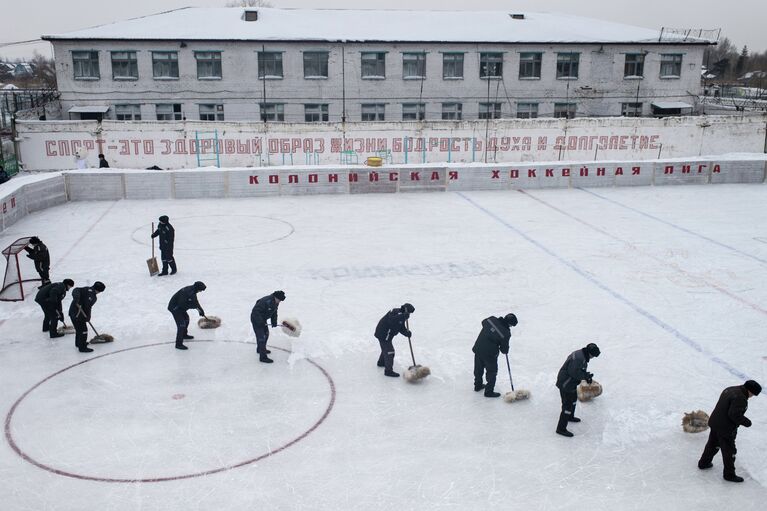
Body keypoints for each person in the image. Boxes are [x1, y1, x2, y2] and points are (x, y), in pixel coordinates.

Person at [698, 380, 761, 483]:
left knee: (712, 444)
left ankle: (704, 463)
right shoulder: (740, 398)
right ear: (750, 390)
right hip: (725, 428)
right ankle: (729, 475)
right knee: (729, 451)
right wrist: (747, 422)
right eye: (753, 394)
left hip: (715, 422)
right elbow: (734, 414)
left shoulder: (730, 389)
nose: (752, 396)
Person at [555, 343, 601, 437]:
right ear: (590, 353)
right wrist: (586, 377)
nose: (592, 358)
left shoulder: (581, 355)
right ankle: (561, 428)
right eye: (593, 356)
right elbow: (574, 373)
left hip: (570, 383)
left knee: (573, 400)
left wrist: (586, 375)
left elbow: (578, 370)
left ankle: (570, 417)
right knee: (567, 406)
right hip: (566, 383)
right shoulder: (579, 359)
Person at [472, 313, 518, 398]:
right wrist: (506, 348)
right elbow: (504, 350)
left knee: (478, 368)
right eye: (511, 325)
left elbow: (483, 322)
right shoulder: (506, 333)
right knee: (491, 372)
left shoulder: (491, 319)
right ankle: (489, 392)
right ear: (509, 324)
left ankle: (477, 385)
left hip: (478, 348)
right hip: (490, 354)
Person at [374, 303, 415, 378]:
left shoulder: (401, 316)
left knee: (385, 349)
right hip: (383, 334)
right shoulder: (395, 313)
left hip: (386, 335)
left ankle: (381, 362)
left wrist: (406, 333)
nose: (409, 314)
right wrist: (403, 316)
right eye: (409, 312)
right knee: (390, 351)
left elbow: (401, 327)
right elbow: (392, 320)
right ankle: (388, 371)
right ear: (405, 310)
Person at [167, 281, 206, 350]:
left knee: (186, 319)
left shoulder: (193, 290)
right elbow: (182, 304)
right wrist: (193, 306)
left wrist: (201, 310)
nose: (201, 291)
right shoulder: (187, 291)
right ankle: (178, 344)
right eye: (201, 290)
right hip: (175, 308)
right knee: (181, 325)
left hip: (180, 308)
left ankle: (184, 335)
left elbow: (195, 302)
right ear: (198, 288)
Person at [68, 281, 106, 353]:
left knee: (79, 329)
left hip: (73, 313)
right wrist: (76, 297)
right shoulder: (92, 296)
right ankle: (82, 347)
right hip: (77, 314)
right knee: (83, 330)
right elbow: (87, 306)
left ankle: (78, 343)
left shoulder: (86, 289)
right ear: (99, 290)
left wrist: (88, 317)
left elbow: (76, 290)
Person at [250, 290, 285, 363]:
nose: (280, 302)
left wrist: (274, 322)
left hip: (262, 319)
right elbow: (256, 311)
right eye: (279, 300)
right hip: (256, 319)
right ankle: (263, 357)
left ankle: (260, 349)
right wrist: (260, 322)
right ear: (276, 297)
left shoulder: (276, 302)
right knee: (261, 337)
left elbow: (274, 312)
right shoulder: (266, 301)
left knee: (266, 334)